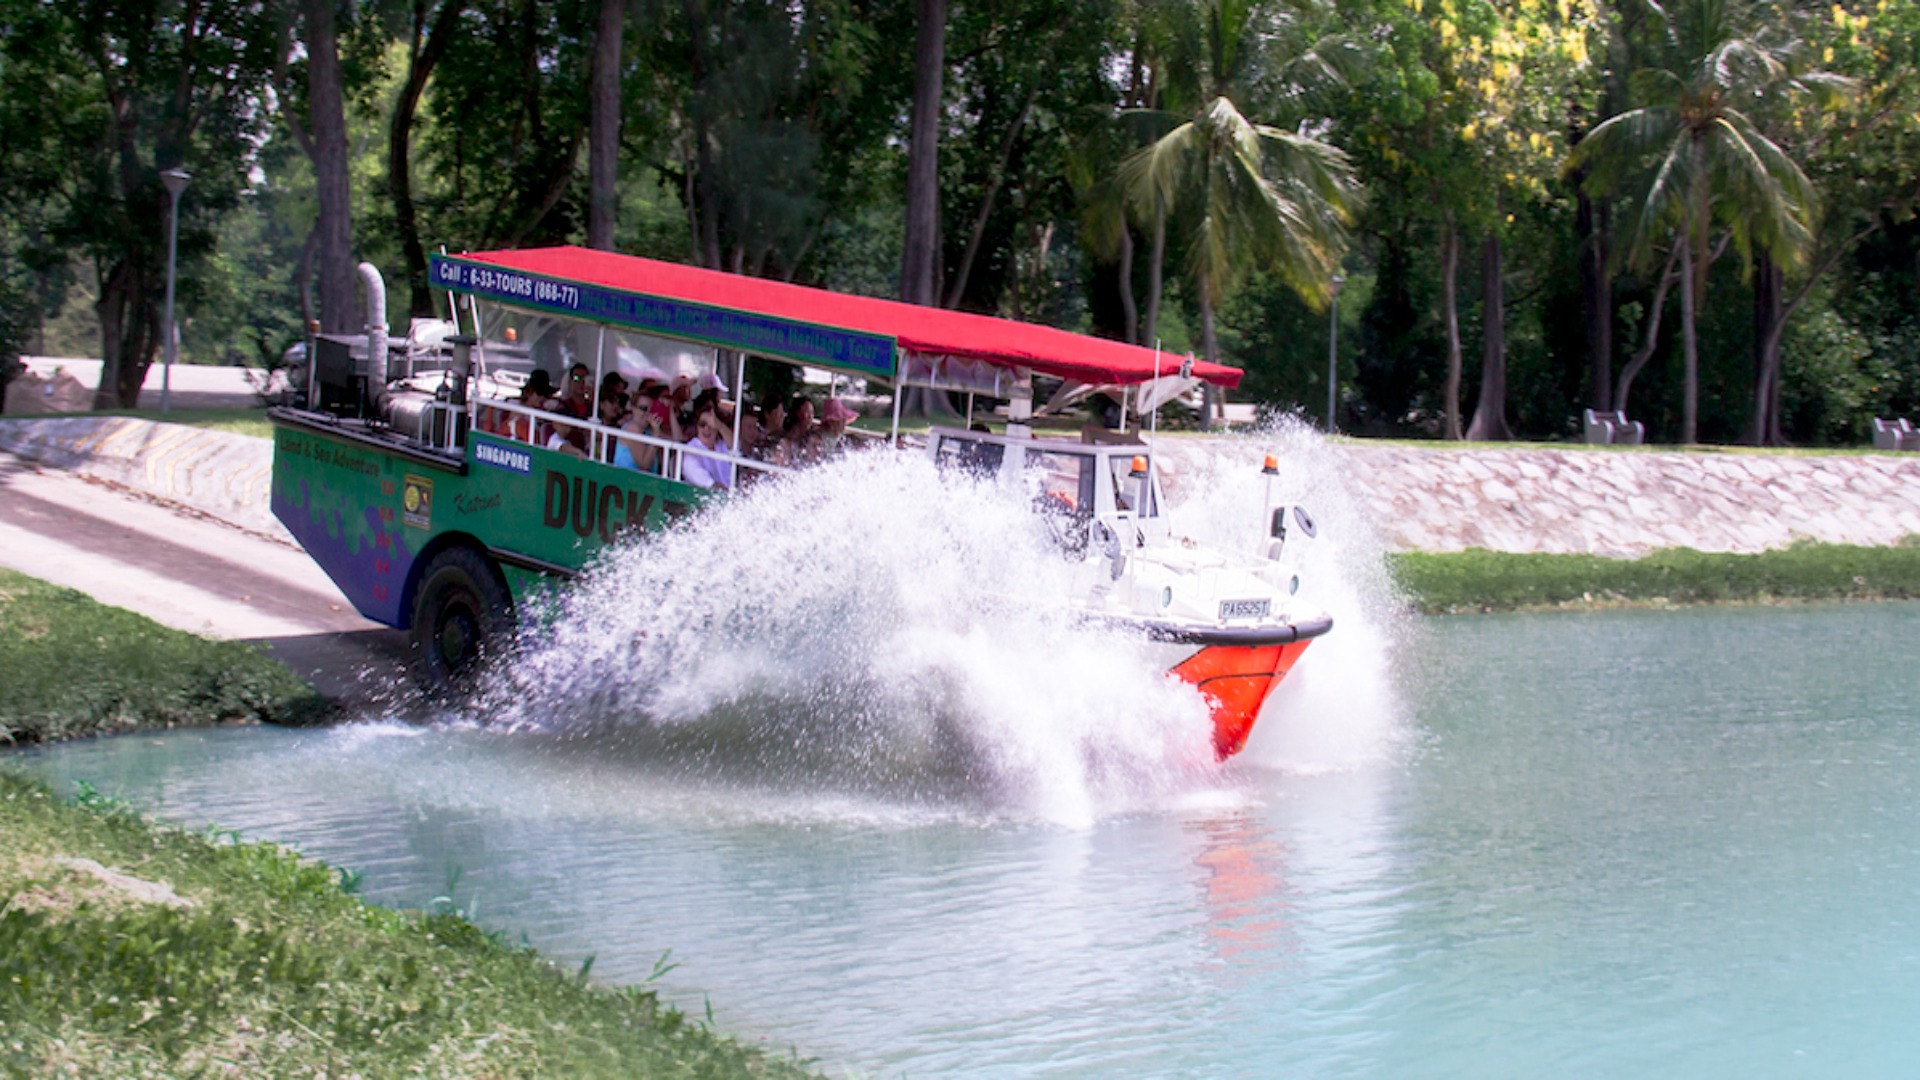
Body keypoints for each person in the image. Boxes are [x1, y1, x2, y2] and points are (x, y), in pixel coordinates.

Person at [681, 404, 734, 490]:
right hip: (702, 495)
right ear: (697, 426)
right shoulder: (692, 447)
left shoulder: (721, 444)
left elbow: (735, 446)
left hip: (728, 494)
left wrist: (720, 426)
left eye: (711, 425)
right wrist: (712, 485)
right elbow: (691, 468)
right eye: (702, 424)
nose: (706, 429)